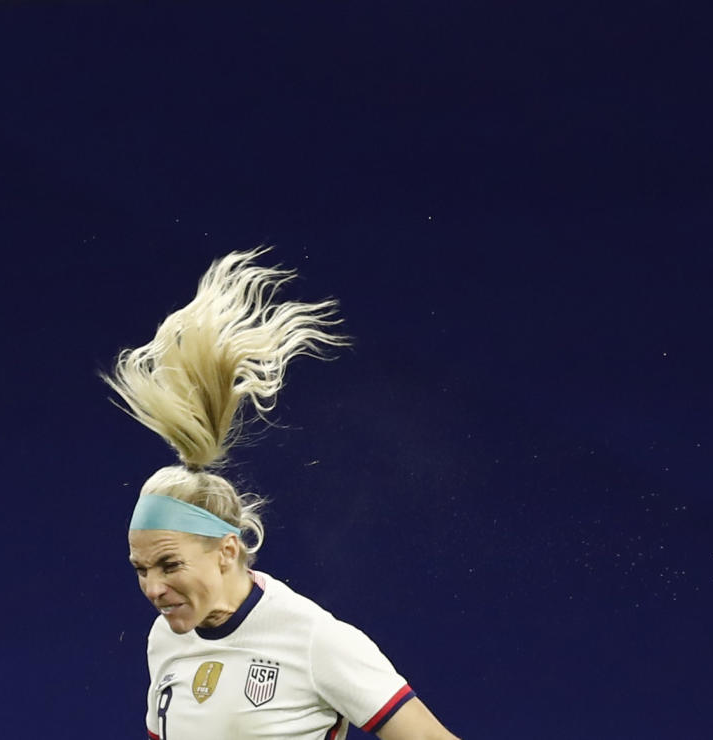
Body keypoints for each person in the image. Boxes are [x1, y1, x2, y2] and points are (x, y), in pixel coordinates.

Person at [104, 248, 460, 740]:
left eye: (168, 565)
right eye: (141, 569)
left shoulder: (314, 640)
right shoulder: (165, 638)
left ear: (227, 551)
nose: (152, 588)